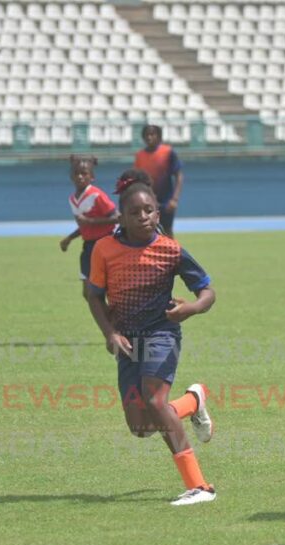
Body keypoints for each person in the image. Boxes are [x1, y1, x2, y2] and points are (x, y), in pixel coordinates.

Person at [86, 176, 217, 505]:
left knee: (156, 402)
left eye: (149, 210)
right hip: (127, 341)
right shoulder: (104, 250)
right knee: (141, 426)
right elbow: (93, 295)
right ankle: (193, 401)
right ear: (122, 217)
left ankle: (199, 487)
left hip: (162, 333)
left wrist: (192, 308)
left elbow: (207, 291)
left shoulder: (170, 250)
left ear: (158, 215)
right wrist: (110, 333)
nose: (143, 216)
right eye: (135, 212)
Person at [59, 155, 118, 299]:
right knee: (88, 294)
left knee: (105, 290)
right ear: (71, 177)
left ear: (92, 177)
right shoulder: (72, 200)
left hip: (105, 243)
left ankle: (112, 318)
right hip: (88, 246)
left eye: (84, 173)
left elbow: (117, 217)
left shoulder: (96, 195)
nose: (80, 177)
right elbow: (84, 226)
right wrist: (69, 239)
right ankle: (106, 319)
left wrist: (90, 221)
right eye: (76, 173)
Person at [133, 124, 184, 238]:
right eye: (146, 135)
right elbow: (137, 180)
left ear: (159, 136)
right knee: (148, 230)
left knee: (167, 230)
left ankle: (172, 254)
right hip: (147, 201)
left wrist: (174, 199)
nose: (149, 137)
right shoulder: (140, 156)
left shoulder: (168, 152)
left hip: (166, 201)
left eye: (152, 134)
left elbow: (179, 176)